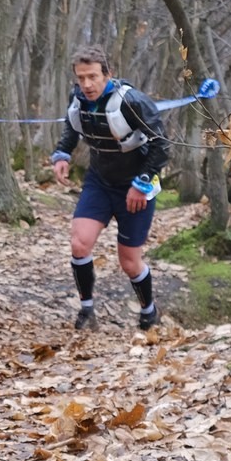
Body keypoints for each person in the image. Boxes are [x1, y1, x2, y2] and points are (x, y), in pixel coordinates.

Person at [48, 45, 169, 331]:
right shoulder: (77, 97)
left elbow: (162, 144)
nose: (87, 84)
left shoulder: (133, 101)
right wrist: (62, 154)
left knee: (129, 261)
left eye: (92, 77)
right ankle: (87, 310)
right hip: (99, 181)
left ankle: (149, 312)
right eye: (81, 78)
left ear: (108, 74)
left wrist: (141, 183)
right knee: (79, 243)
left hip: (136, 184)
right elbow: (70, 125)